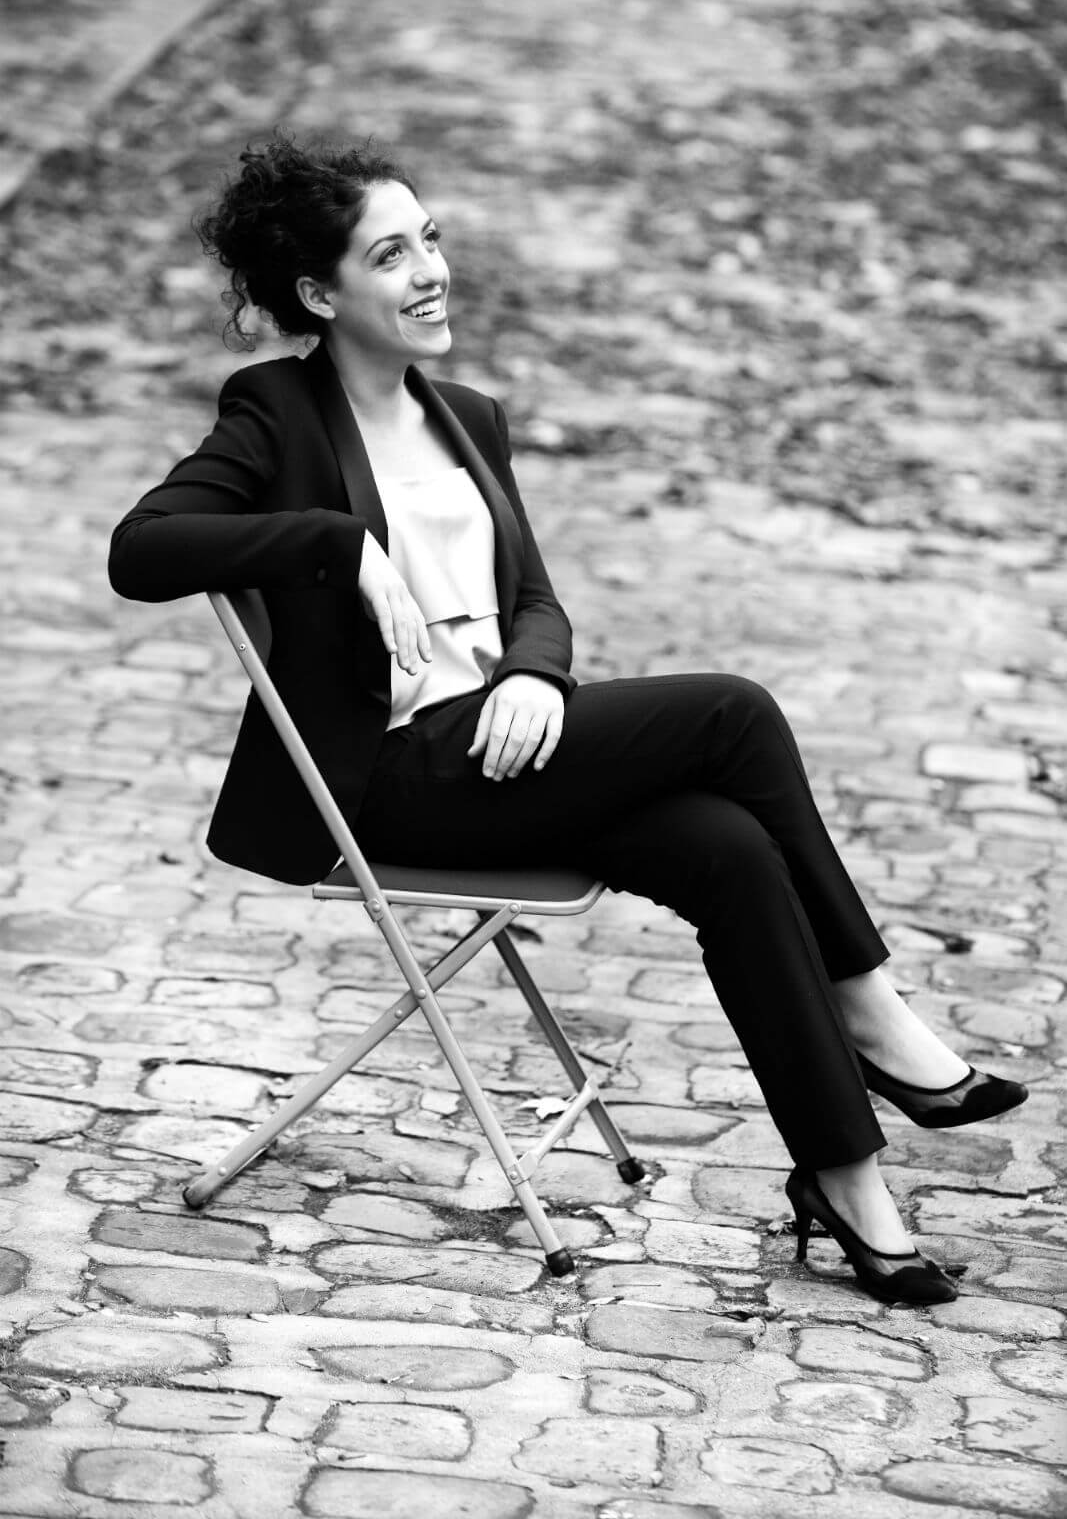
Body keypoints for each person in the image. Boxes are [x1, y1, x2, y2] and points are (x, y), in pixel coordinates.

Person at [109, 134, 1027, 1305]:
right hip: (387, 779)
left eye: (429, 238)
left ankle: (846, 1183)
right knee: (734, 713)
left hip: (499, 749)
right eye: (389, 255)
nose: (429, 270)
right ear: (319, 295)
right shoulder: (275, 413)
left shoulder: (467, 417)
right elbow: (141, 550)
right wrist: (335, 542)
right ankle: (871, 1014)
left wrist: (536, 676)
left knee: (728, 847)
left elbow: (534, 600)